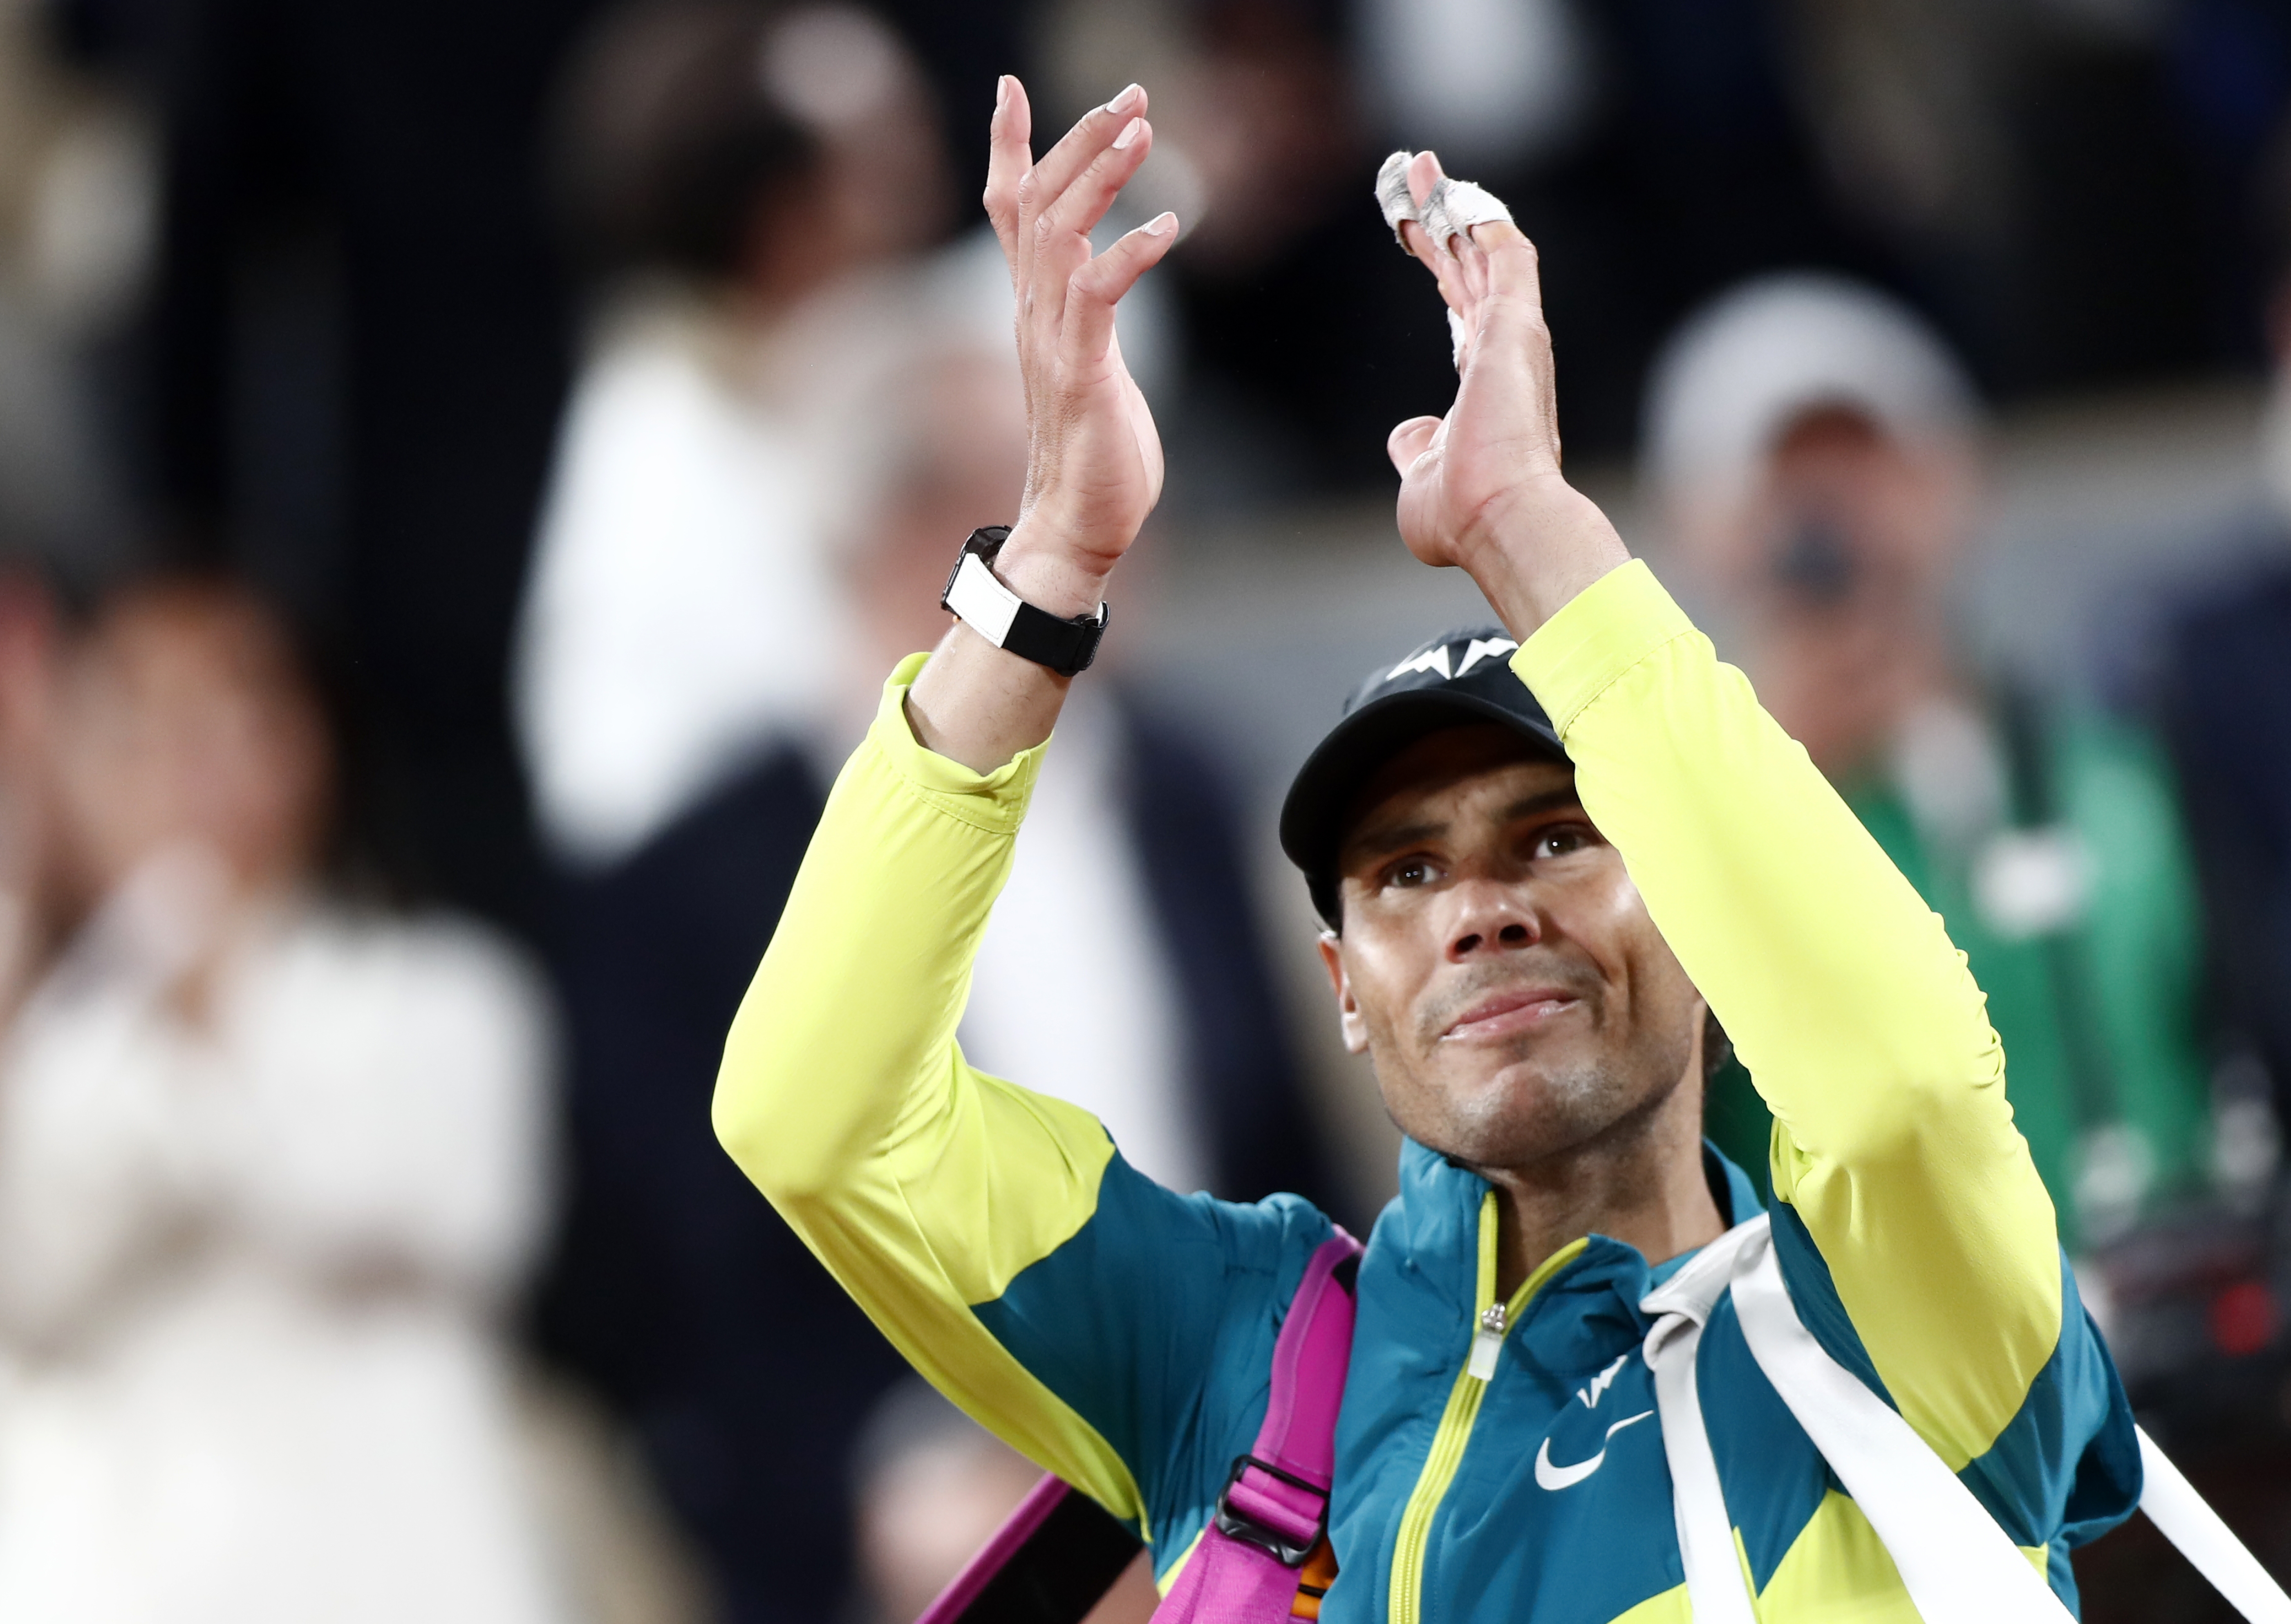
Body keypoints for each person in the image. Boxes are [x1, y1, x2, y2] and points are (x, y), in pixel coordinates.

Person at [713, 79, 2138, 1621]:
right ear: (1340, 978)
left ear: (1714, 923)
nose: (1480, 911)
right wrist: (1048, 564)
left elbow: (1907, 1086)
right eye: (1402, 872)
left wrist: (1527, 521)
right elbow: (819, 1117)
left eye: (1556, 837)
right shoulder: (1238, 1355)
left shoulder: (1902, 1300)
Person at [0, 576, 565, 1623]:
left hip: (394, 1573)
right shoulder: (54, 1039)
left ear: (311, 743)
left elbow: (463, 1221)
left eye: (226, 717)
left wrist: (202, 1025)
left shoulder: (437, 995)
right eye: (136, 725)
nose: (182, 766)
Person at [1642, 273, 2216, 1249]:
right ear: (1704, 527)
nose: (1829, 519)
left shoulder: (2117, 778)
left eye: (1866, 462)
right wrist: (1760, 799)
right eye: (1781, 482)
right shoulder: (1657, 842)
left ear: (1955, 478)